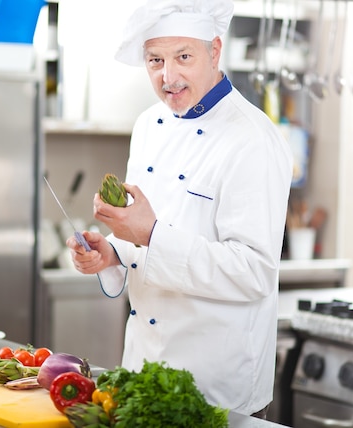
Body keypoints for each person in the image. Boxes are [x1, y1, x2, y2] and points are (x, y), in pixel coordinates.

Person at [65, 0, 293, 420]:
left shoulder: (253, 140)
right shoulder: (149, 125)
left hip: (215, 387)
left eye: (183, 57)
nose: (168, 77)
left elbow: (255, 271)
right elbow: (151, 232)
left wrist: (150, 235)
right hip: (142, 374)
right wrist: (112, 252)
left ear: (215, 51)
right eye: (155, 60)